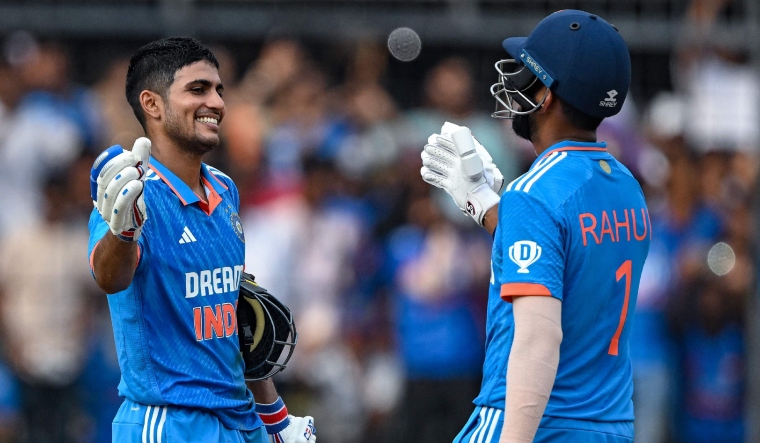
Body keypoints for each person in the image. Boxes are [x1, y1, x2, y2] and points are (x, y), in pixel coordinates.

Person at [420, 10, 650, 443]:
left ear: (546, 94)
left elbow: (539, 337)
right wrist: (490, 208)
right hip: (609, 426)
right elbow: (567, 261)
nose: (515, 81)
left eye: (527, 72)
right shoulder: (626, 186)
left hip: (533, 422)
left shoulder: (533, 192)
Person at [87, 37, 314, 443]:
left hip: (242, 420)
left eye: (218, 90)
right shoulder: (131, 192)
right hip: (170, 423)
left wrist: (275, 417)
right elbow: (109, 278)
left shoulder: (226, 189)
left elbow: (237, 320)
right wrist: (122, 234)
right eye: (198, 89)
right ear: (152, 104)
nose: (217, 103)